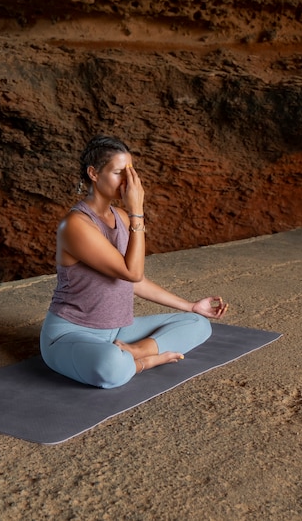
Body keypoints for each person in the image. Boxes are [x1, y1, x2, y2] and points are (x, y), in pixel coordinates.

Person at [40, 135, 228, 389]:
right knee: (110, 366)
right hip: (70, 334)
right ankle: (143, 362)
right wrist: (137, 212)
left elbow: (134, 281)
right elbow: (131, 272)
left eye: (130, 173)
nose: (128, 182)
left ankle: (136, 350)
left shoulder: (120, 217)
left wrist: (191, 306)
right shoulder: (76, 225)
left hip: (117, 332)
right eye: (119, 173)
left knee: (198, 324)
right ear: (94, 173)